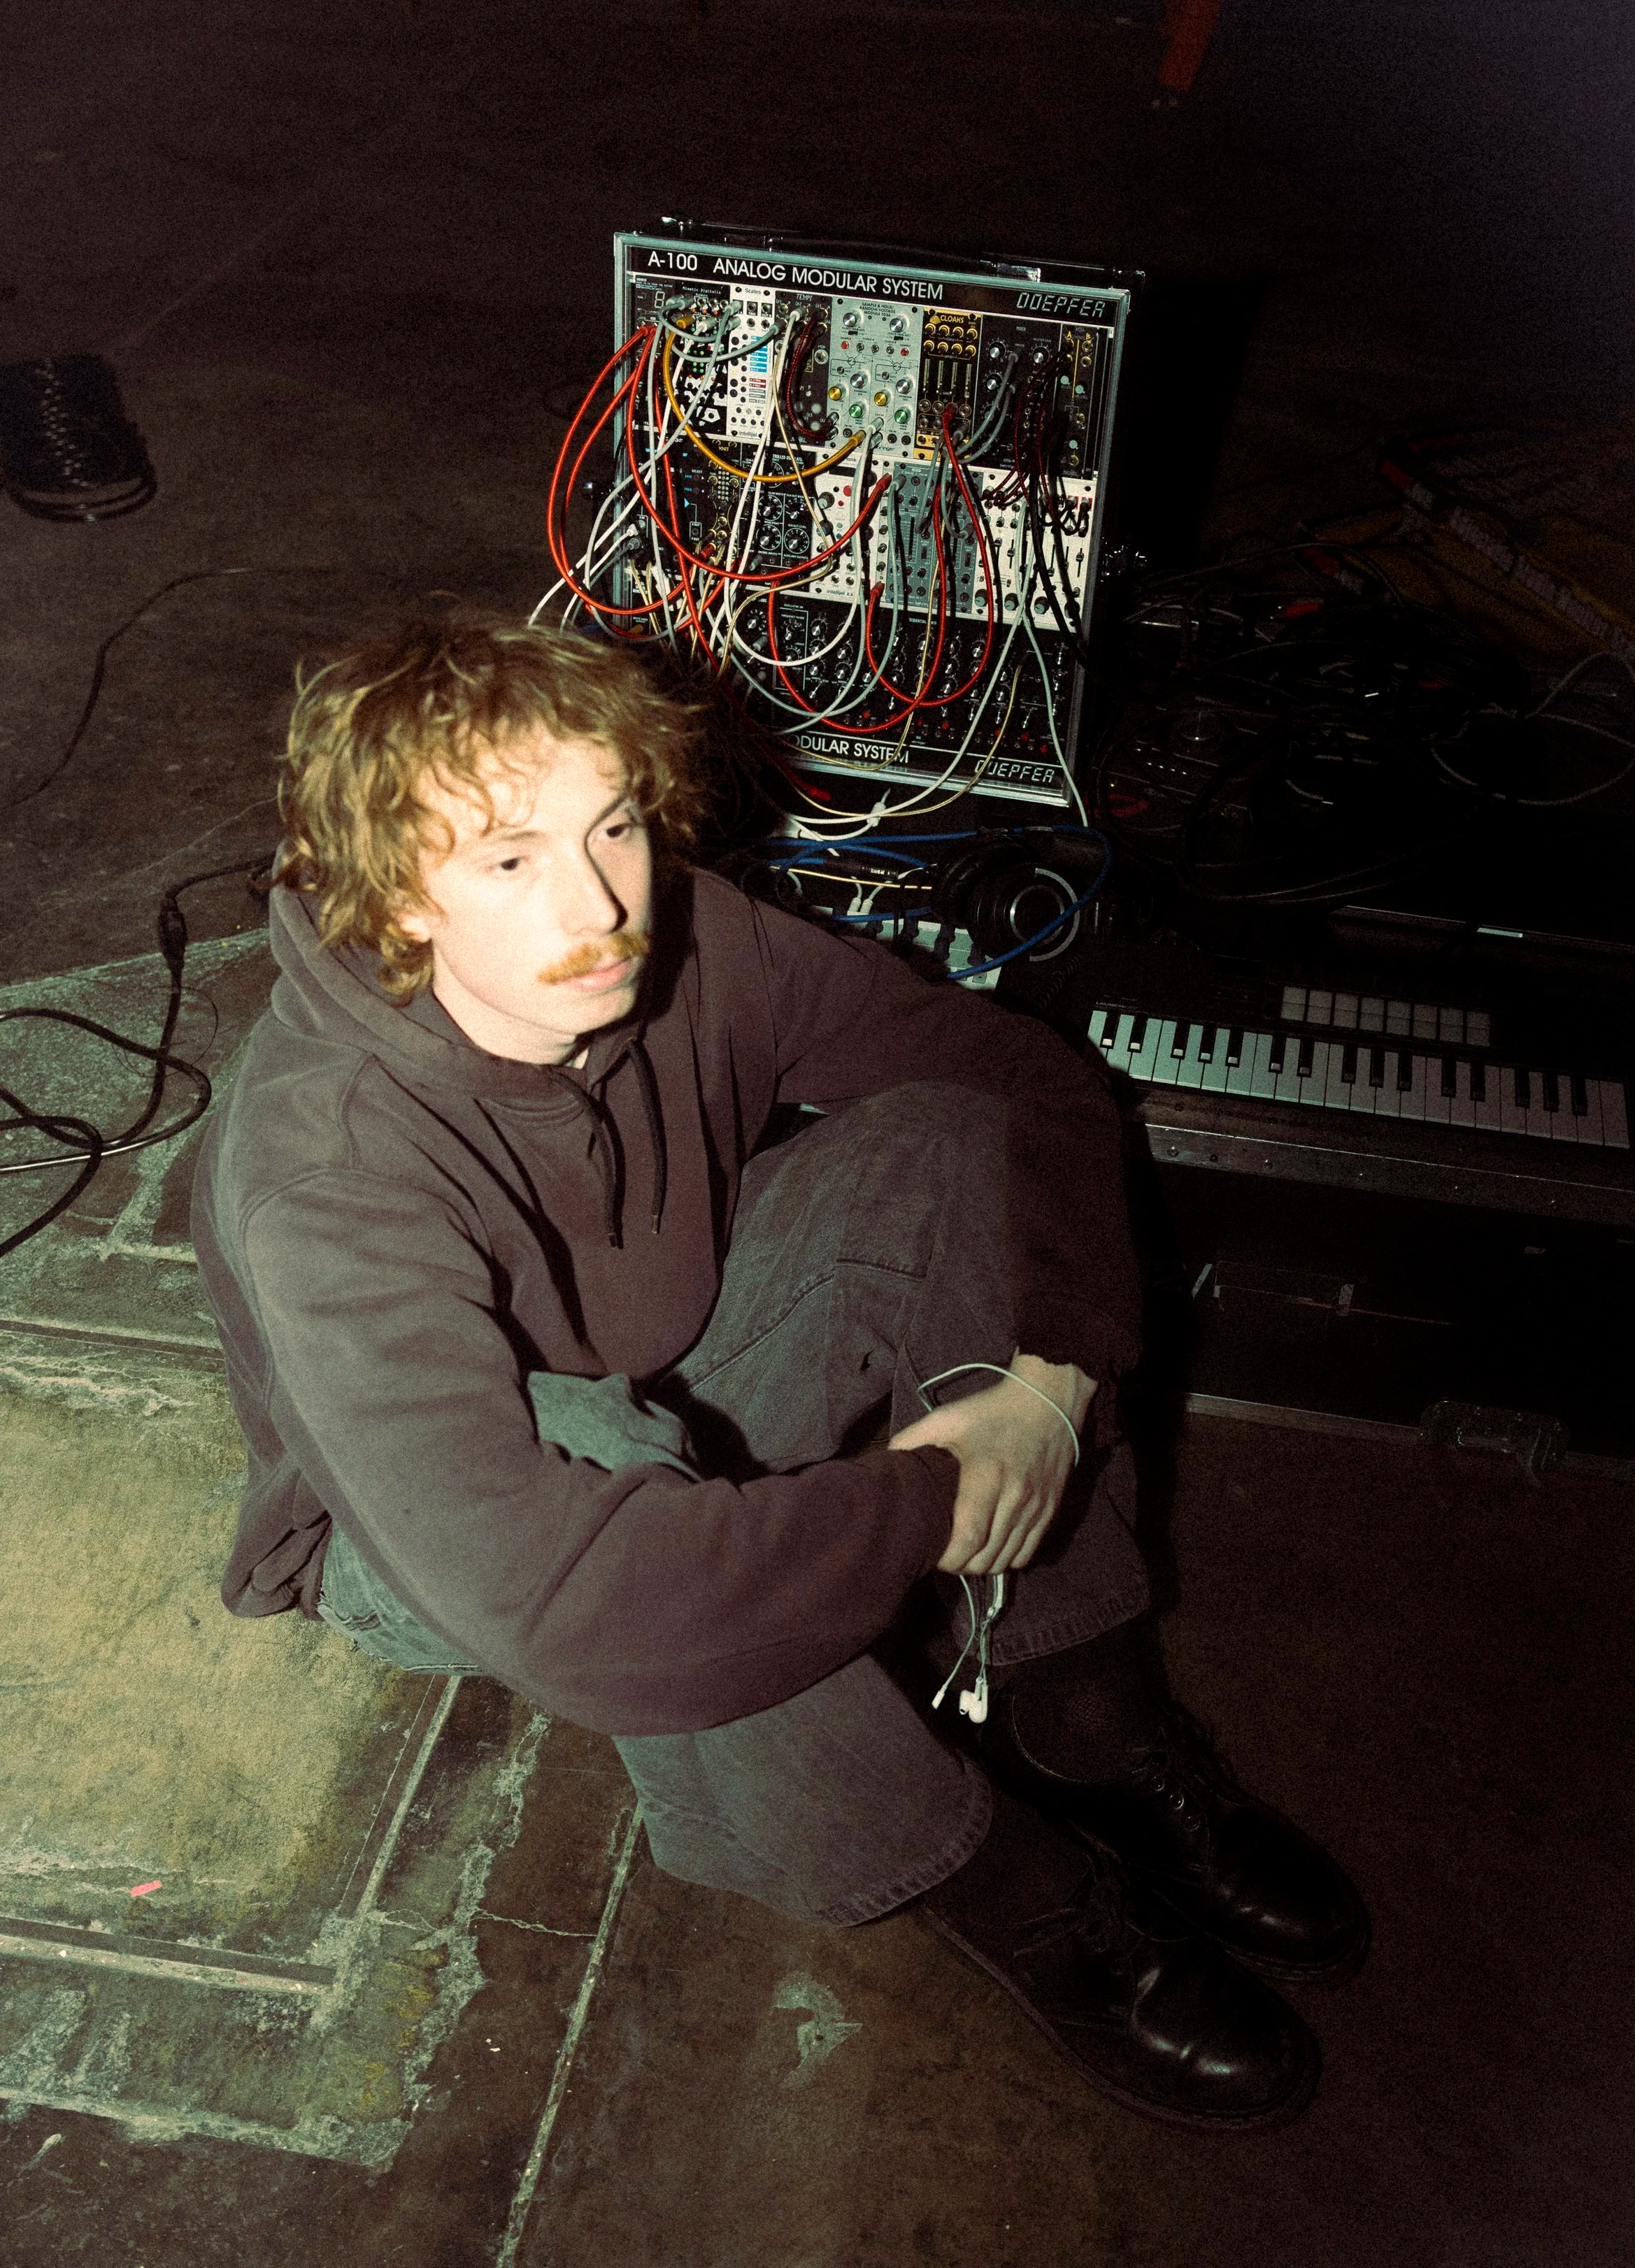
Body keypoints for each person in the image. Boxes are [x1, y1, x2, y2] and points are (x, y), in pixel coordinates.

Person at [192, 615, 1366, 2132]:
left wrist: (1046, 1391)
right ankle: (1003, 1880)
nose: (599, 897)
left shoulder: (680, 935)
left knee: (950, 1142)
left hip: (657, 1346)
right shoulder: (326, 1168)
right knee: (614, 1470)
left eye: (610, 821)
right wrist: (923, 1502)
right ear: (394, 894)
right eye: (507, 858)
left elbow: (1021, 1083)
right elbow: (571, 1602)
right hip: (434, 1535)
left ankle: (1084, 1709)